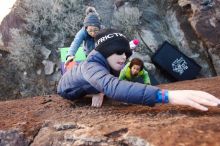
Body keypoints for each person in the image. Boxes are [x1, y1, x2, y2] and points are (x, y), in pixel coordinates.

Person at [57, 28, 220, 111]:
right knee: (97, 87)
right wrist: (167, 96)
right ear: (106, 51)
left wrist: (101, 90)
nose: (124, 57)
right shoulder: (91, 66)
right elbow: (112, 86)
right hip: (67, 90)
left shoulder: (108, 60)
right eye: (119, 52)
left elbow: (108, 81)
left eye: (126, 54)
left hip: (88, 78)